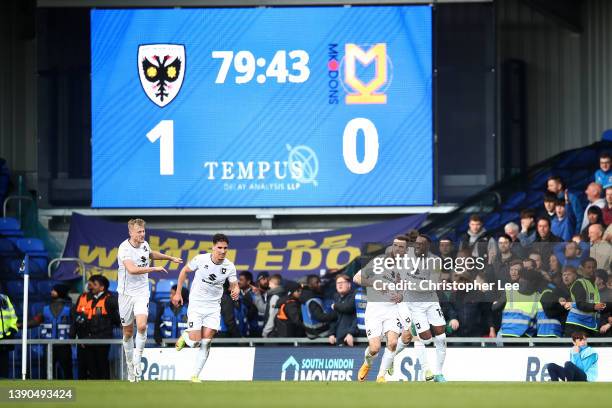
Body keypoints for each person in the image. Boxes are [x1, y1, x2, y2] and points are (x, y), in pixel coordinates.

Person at [117, 218, 183, 382]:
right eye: (138, 232)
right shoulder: (124, 248)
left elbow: (150, 253)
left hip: (141, 293)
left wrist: (169, 258)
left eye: (143, 231)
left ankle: (138, 361)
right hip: (125, 294)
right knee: (127, 332)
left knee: (142, 325)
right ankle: (129, 364)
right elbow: (132, 270)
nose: (141, 234)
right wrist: (154, 268)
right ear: (130, 232)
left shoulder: (144, 244)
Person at [173, 233, 239, 383]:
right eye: (219, 248)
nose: (222, 251)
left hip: (214, 307)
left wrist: (236, 290)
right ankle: (186, 336)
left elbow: (234, 285)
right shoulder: (201, 259)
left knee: (207, 341)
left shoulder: (229, 266)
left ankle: (195, 376)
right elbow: (184, 271)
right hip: (196, 304)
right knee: (195, 341)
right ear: (213, 247)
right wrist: (178, 293)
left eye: (225, 248)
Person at [353, 237, 403, 383]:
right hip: (375, 309)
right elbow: (357, 278)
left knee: (393, 343)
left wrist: (401, 296)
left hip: (393, 310)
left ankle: (381, 376)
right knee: (374, 348)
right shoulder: (377, 263)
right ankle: (367, 364)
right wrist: (374, 283)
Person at [403, 235, 447, 382]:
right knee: (426, 340)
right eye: (416, 243)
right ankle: (425, 368)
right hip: (413, 304)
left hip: (430, 301)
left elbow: (432, 284)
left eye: (421, 244)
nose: (418, 246)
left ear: (427, 246)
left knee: (441, 337)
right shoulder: (406, 255)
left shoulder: (435, 260)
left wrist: (410, 282)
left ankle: (439, 373)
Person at [37, 284, 73, 379]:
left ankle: (70, 389)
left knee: (67, 371)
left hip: (64, 344)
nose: (51, 292)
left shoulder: (70, 307)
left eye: (54, 290)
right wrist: (20, 325)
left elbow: (77, 323)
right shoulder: (45, 308)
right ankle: (48, 390)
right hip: (48, 345)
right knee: (47, 371)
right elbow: (36, 320)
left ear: (60, 292)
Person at [562, 259, 606, 336]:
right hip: (576, 325)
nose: (592, 269)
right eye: (588, 267)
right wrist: (594, 306)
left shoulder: (594, 285)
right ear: (582, 269)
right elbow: (580, 304)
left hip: (589, 325)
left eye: (594, 267)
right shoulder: (579, 283)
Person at [0, 286, 18, 379]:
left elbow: (13, 316)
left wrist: (12, 329)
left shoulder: (4, 298)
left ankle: (3, 391)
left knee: (3, 368)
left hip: (5, 339)